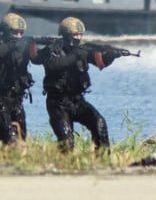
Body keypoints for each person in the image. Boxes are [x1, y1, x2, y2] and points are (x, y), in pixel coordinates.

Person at [30, 17, 122, 154]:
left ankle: (103, 159)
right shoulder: (53, 48)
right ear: (67, 35)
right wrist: (75, 56)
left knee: (99, 123)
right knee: (66, 143)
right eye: (75, 35)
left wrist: (112, 56)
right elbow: (52, 65)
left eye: (80, 35)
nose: (79, 37)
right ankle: (66, 166)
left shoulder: (83, 50)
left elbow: (99, 62)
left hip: (77, 101)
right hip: (58, 103)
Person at [0, 13, 37, 145]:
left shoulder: (23, 46)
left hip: (16, 100)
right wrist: (13, 46)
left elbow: (38, 59)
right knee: (10, 140)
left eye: (21, 33)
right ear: (5, 31)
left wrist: (47, 49)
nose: (18, 36)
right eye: (15, 33)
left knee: (21, 139)